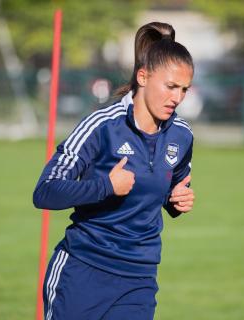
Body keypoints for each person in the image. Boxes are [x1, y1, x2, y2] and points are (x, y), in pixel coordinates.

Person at [33, 21, 195, 320]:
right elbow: (45, 191)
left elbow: (171, 189)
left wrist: (176, 202)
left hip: (139, 280)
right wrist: (106, 186)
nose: (177, 98)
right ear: (143, 76)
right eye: (171, 86)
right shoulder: (103, 125)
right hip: (83, 272)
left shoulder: (182, 135)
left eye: (184, 89)